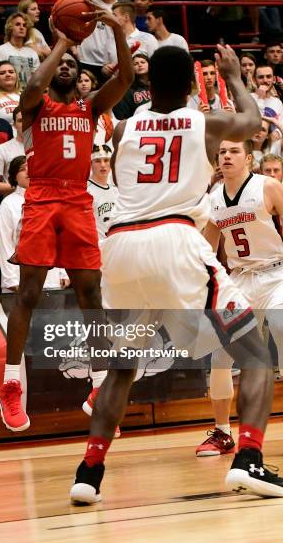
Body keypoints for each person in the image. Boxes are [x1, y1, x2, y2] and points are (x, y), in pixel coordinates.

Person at [70, 44, 283, 504]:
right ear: (191, 83)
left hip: (122, 249)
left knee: (121, 370)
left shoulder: (124, 126)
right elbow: (251, 122)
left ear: (149, 85)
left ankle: (89, 472)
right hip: (174, 241)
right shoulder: (204, 123)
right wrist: (233, 76)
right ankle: (248, 459)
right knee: (256, 354)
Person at [0, 6, 133, 433]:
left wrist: (115, 30)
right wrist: (63, 42)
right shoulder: (35, 105)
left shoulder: (90, 108)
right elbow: (34, 83)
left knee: (91, 293)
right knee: (29, 294)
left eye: (74, 63)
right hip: (40, 199)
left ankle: (96, 383)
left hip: (77, 201)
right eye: (62, 62)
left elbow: (126, 80)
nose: (68, 65)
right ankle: (10, 384)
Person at [195, 138, 283, 456]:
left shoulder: (268, 186)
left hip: (276, 274)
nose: (227, 156)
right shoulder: (214, 199)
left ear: (248, 157)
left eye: (233, 151)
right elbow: (205, 246)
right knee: (220, 355)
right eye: (222, 152)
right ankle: (222, 432)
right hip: (240, 280)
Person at [0, 155, 69, 292]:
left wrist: (63, 271)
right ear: (14, 176)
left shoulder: (51, 200)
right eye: (23, 169)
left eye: (32, 167)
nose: (29, 172)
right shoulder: (8, 204)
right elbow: (5, 243)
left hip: (52, 279)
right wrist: (10, 279)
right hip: (21, 279)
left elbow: (58, 239)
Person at [77, 0, 117, 83]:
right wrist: (73, 48)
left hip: (106, 64)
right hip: (85, 59)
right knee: (82, 100)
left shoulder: (118, 7)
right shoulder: (89, 2)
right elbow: (74, 24)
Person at [0, 13, 40, 90]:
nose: (22, 27)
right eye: (18, 24)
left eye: (24, 25)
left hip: (28, 94)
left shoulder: (32, 53)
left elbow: (36, 78)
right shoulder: (0, 50)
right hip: (7, 94)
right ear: (10, 28)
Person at [0, 106, 24, 196]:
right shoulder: (2, 149)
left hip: (45, 204)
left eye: (29, 119)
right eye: (20, 120)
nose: (25, 123)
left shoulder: (47, 147)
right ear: (14, 125)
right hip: (15, 205)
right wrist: (20, 185)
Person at [87, 144, 118, 240]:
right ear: (90, 163)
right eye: (98, 161)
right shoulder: (86, 192)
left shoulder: (116, 191)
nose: (103, 165)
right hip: (97, 247)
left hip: (113, 245)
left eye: (106, 160)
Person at [75, 70, 114, 146]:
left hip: (104, 137)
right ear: (75, 85)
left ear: (92, 83)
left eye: (86, 81)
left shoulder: (101, 97)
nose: (83, 84)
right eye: (80, 81)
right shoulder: (73, 103)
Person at [113, 52, 150, 119]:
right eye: (135, 64)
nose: (140, 65)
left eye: (143, 62)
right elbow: (121, 116)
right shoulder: (127, 89)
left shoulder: (159, 84)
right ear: (131, 69)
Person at [0, 60, 21, 128]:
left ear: (16, 76)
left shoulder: (25, 95)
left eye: (11, 72)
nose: (8, 75)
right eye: (2, 73)